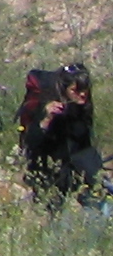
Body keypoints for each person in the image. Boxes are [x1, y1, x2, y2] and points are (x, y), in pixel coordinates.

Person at [19, 64, 99, 203]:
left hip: (76, 165)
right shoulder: (45, 106)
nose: (82, 94)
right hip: (49, 171)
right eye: (76, 90)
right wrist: (47, 119)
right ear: (64, 89)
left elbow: (84, 141)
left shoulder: (81, 105)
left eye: (85, 89)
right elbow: (31, 143)